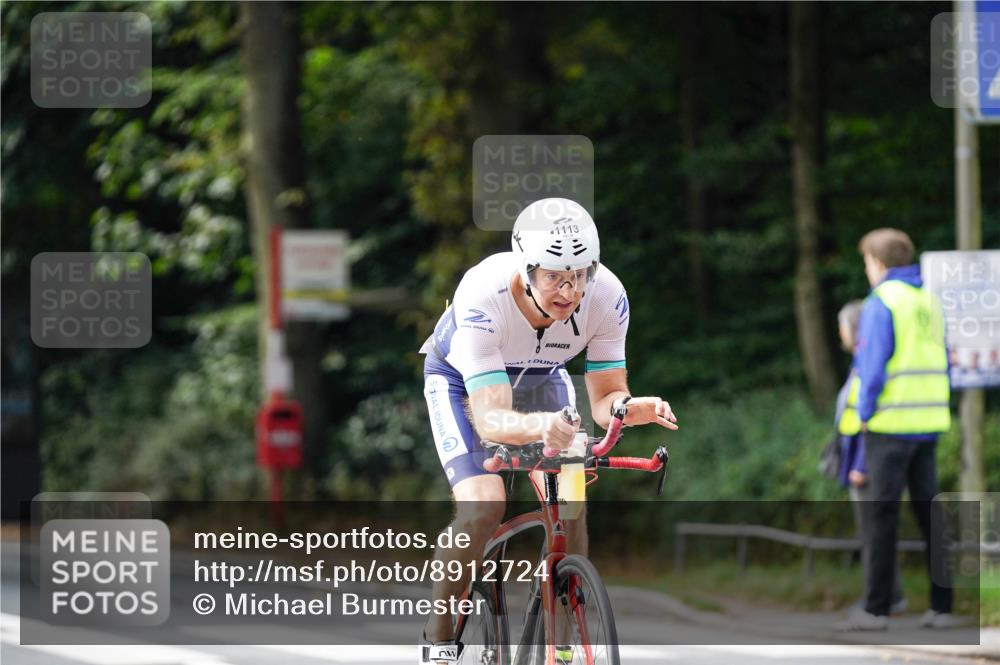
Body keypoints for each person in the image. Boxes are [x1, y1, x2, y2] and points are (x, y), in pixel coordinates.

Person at [417, 198, 678, 664]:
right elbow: (492, 420)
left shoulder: (607, 296)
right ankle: (439, 638)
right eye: (555, 276)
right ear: (526, 269)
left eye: (580, 274)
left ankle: (564, 641)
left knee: (570, 502)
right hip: (463, 384)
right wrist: (544, 427)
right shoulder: (482, 294)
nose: (570, 290)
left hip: (542, 379)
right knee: (484, 506)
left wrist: (626, 407)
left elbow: (606, 396)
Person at [835, 228, 954, 632]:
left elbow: (871, 368)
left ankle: (876, 609)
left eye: (867, 262)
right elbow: (945, 359)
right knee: (930, 514)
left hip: (889, 425)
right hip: (929, 422)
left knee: (881, 517)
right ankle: (942, 607)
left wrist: (865, 414)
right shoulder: (929, 302)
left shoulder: (882, 301)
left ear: (878, 262)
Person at [832, 299, 906, 616]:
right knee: (873, 533)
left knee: (873, 534)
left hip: (869, 462)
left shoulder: (868, 362)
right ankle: (889, 595)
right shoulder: (860, 362)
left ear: (853, 328)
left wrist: (862, 463)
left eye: (842, 328)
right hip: (863, 460)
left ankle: (882, 600)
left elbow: (869, 415)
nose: (840, 335)